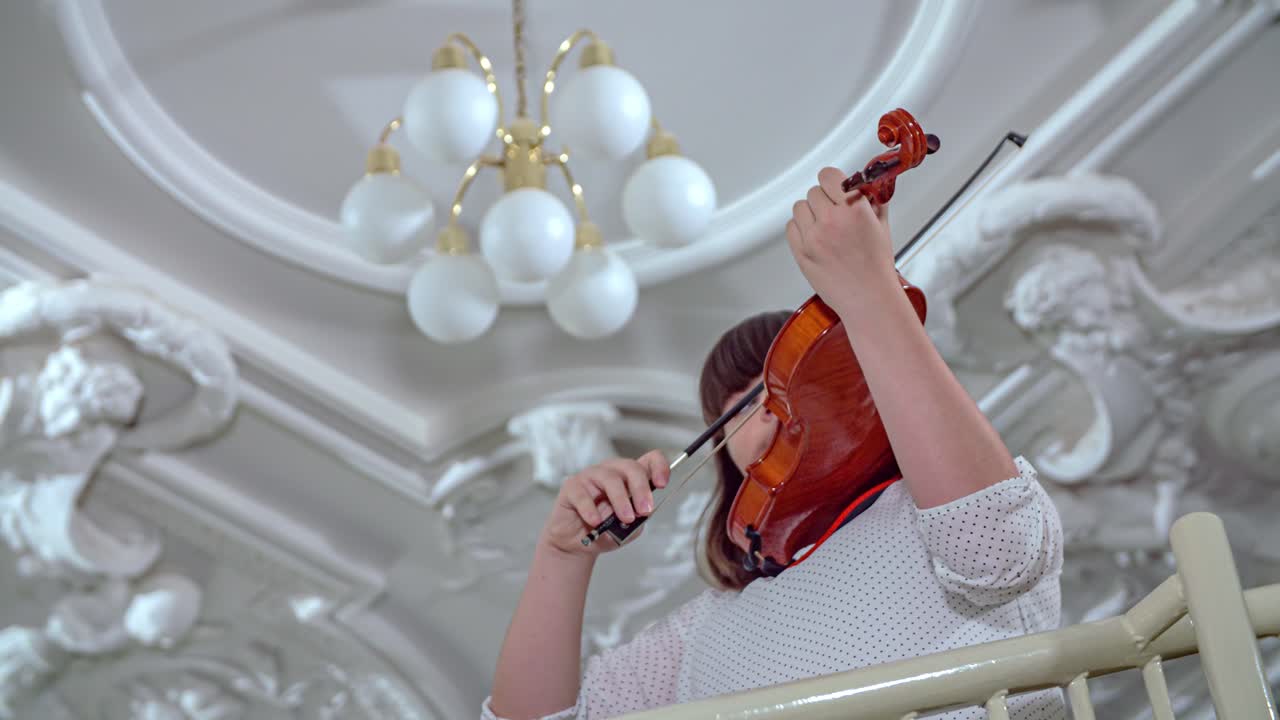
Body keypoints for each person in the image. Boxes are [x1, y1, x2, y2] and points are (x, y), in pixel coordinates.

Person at [482, 168, 1065, 720]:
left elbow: (994, 542)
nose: (771, 407)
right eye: (742, 405)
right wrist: (563, 556)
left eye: (788, 384)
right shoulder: (700, 635)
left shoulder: (927, 514)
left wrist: (868, 294)